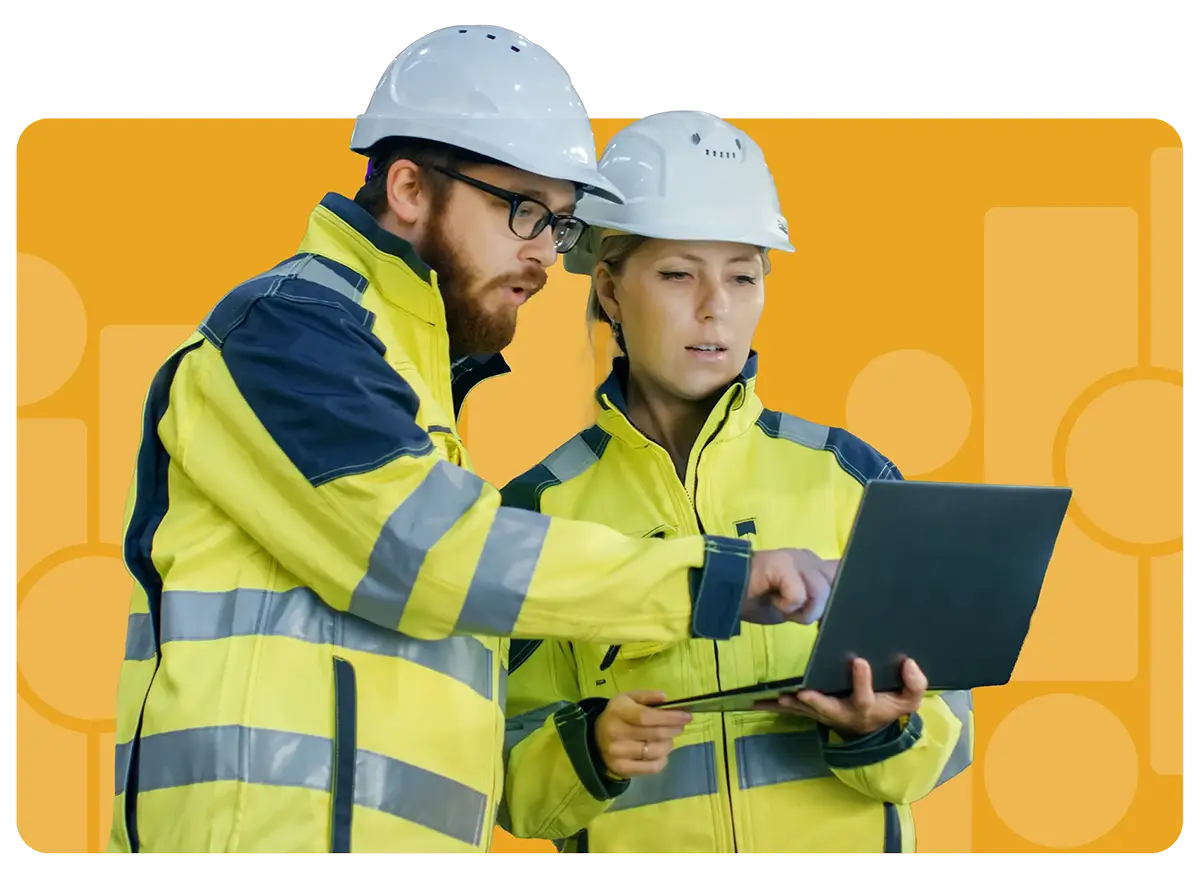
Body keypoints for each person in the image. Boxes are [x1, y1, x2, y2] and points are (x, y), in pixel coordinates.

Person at [107, 28, 840, 857]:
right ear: (412, 188)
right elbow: (424, 553)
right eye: (521, 209)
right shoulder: (290, 332)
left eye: (558, 225)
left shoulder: (414, 382)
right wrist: (713, 579)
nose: (538, 255)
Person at [498, 111, 974, 855]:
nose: (715, 306)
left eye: (743, 275)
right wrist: (588, 745)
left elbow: (950, 730)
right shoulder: (534, 511)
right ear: (612, 291)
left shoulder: (851, 475)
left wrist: (882, 725)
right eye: (679, 273)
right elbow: (500, 765)